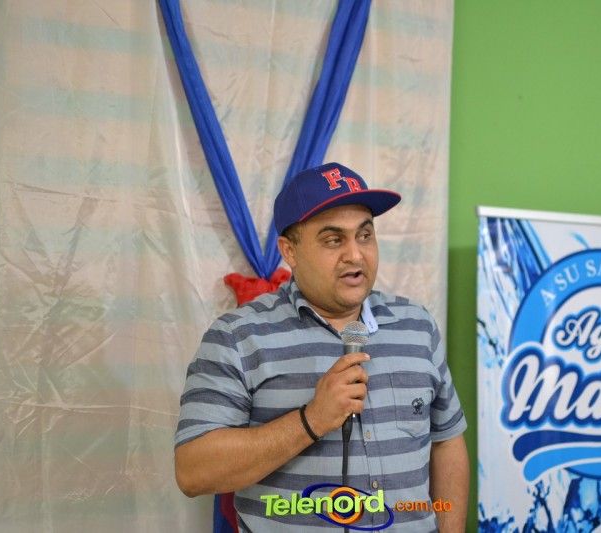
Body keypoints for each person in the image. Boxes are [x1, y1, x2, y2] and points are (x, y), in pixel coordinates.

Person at [175, 162, 469, 532]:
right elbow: (193, 471)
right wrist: (312, 420)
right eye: (334, 240)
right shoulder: (238, 336)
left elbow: (446, 441)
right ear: (290, 251)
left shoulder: (417, 326)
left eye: (365, 235)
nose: (355, 255)